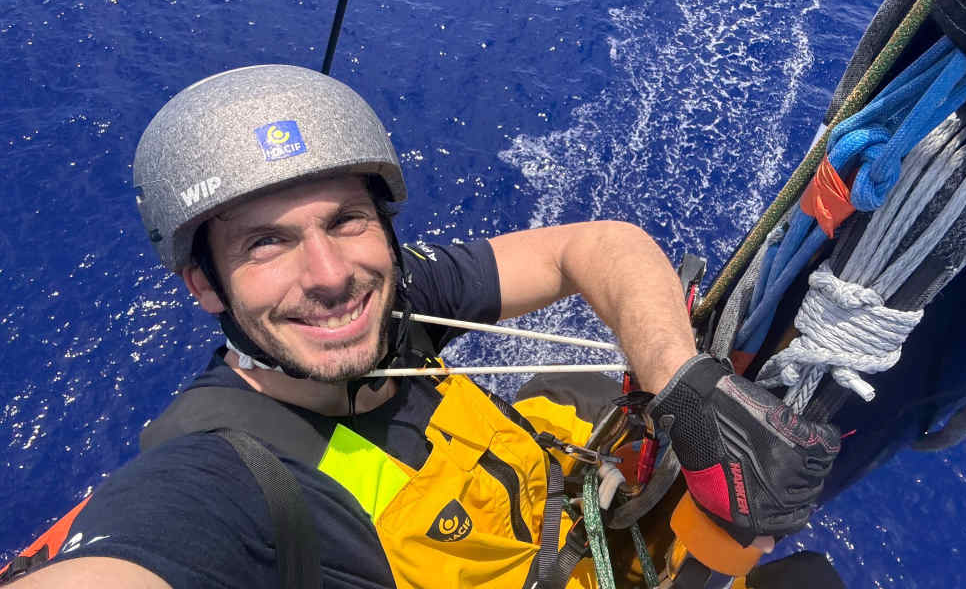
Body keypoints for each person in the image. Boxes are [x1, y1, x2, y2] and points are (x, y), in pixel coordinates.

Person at [4, 65, 839, 588]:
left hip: (558, 508)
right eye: (267, 243)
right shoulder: (221, 473)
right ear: (204, 287)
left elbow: (595, 245)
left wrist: (682, 384)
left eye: (346, 220)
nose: (329, 275)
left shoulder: (394, 299)